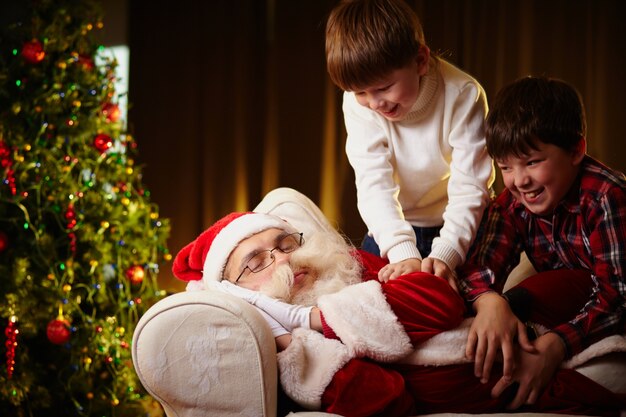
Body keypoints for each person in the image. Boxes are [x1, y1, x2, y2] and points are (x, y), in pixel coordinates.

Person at [173, 209, 624, 416]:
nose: (284, 261)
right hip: (492, 386)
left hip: (523, 314)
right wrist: (299, 334)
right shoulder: (296, 355)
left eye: (284, 244)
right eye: (257, 262)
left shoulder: (350, 268)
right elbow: (390, 399)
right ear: (241, 296)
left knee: (583, 288)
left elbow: (440, 300)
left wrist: (315, 316)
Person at [457, 76, 626, 410]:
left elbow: (618, 295)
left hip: (605, 304)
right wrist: (489, 301)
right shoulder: (512, 202)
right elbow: (480, 265)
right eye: (505, 166)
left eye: (532, 162)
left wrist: (556, 345)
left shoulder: (607, 196)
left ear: (576, 150)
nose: (520, 180)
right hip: (570, 301)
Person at [325, 0, 495, 284]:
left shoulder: (463, 94)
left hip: (462, 225)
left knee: (469, 294)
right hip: (398, 225)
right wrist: (402, 251)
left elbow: (470, 187)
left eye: (384, 88)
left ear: (420, 61)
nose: (375, 103)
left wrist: (446, 253)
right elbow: (373, 184)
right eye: (361, 92)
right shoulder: (360, 106)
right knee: (369, 294)